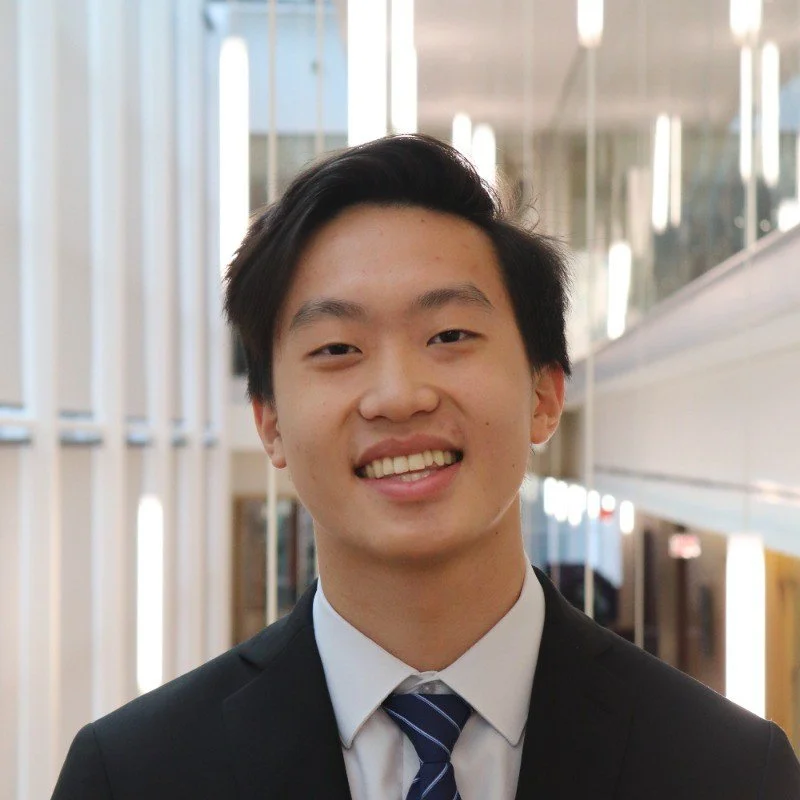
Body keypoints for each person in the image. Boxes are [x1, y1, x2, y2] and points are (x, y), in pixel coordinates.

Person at [52, 134, 800, 800]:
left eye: (448, 334)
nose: (398, 396)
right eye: (337, 349)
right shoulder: (133, 774)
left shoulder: (731, 770)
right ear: (270, 424)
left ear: (544, 396)